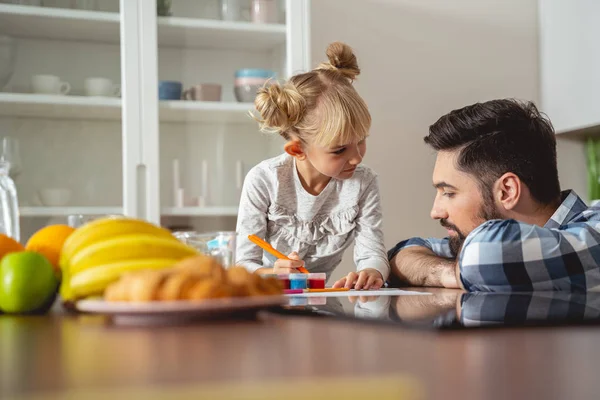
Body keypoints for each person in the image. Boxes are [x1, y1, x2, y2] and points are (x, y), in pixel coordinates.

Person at [389, 99, 600, 292]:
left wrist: (456, 271)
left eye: (449, 193)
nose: (435, 212)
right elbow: (402, 254)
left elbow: (483, 256)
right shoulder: (497, 244)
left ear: (507, 191)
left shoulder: (595, 232)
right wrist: (451, 273)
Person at [235, 42, 389, 290]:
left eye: (361, 141)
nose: (357, 157)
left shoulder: (363, 182)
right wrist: (274, 273)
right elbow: (244, 265)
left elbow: (372, 252)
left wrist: (371, 272)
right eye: (339, 150)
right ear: (297, 150)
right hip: (269, 297)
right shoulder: (264, 180)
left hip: (324, 299)